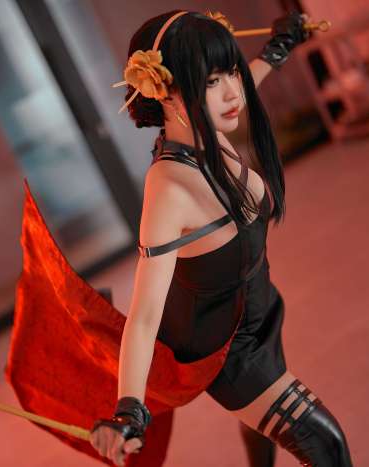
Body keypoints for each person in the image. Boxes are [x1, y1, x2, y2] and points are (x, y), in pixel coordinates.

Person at [88, 9, 354, 467]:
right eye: (212, 81)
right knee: (327, 445)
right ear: (165, 91)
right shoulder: (168, 189)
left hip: (262, 313)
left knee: (261, 432)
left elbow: (241, 87)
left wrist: (277, 50)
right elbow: (146, 315)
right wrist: (129, 407)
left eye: (231, 72)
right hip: (229, 353)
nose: (233, 92)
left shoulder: (206, 128)